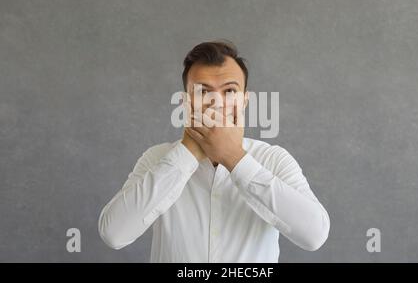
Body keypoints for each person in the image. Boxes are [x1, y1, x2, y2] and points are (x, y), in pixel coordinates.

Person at [98, 40, 330, 262]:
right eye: (202, 91)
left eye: (229, 91)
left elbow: (314, 235)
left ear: (245, 101)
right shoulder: (156, 158)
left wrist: (234, 158)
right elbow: (114, 233)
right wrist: (188, 152)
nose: (217, 103)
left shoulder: (273, 159)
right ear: (185, 102)